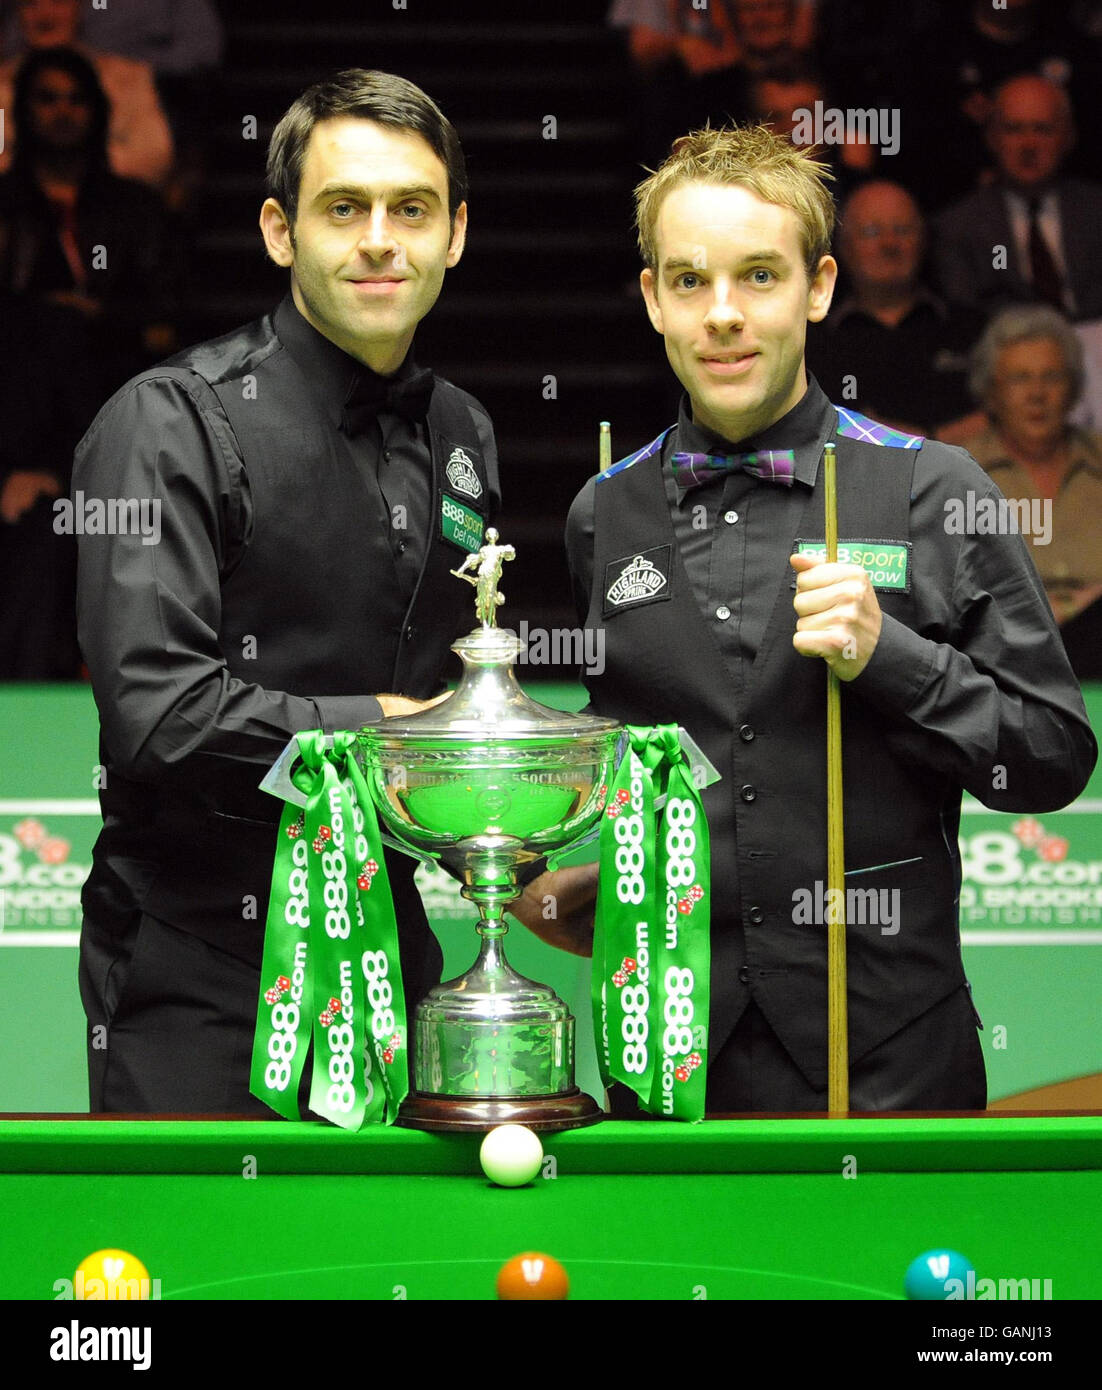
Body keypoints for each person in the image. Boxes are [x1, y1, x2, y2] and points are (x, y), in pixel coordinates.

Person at [516, 124, 1096, 1114]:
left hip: (887, 1056)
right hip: (667, 1052)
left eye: (758, 276)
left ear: (818, 287)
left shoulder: (932, 489)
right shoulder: (600, 513)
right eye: (690, 281)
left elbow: (1047, 756)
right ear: (653, 296)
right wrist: (581, 876)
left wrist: (893, 657)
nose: (724, 315)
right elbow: (634, 761)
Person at [73, 69, 501, 1115]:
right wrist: (381, 731)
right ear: (279, 230)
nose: (378, 239)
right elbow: (156, 712)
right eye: (341, 208)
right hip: (199, 962)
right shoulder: (167, 421)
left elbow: (455, 690)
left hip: (390, 956)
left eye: (411, 209)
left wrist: (503, 851)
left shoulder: (463, 433)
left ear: (452, 234)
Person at [0, 47, 179, 397]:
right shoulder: (6, 202)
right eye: (47, 99)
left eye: (76, 100)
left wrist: (101, 315)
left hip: (112, 365)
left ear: (96, 110)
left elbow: (166, 303)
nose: (63, 112)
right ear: (24, 109)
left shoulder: (135, 205)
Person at [961, 305, 1102, 681]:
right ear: (990, 392)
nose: (1037, 394)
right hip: (1003, 671)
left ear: (1073, 388)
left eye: (1051, 377)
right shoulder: (959, 473)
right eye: (1020, 379)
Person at [806, 181, 986, 443]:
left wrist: (918, 440)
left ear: (924, 241)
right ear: (843, 247)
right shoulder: (811, 340)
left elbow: (1000, 417)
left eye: (903, 230)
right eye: (871, 232)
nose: (889, 244)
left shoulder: (973, 330)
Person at [933, 76, 1102, 323]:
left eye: (1042, 129)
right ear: (991, 138)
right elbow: (967, 316)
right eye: (1014, 129)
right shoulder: (959, 229)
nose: (1028, 144)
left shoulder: (1096, 213)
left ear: (1068, 137)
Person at [0, 0, 175, 189]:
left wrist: (76, 172)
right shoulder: (1, 87)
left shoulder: (128, 78)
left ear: (79, 7)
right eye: (30, 4)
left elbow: (155, 154)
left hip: (108, 206)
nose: (45, 15)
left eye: (58, 3)